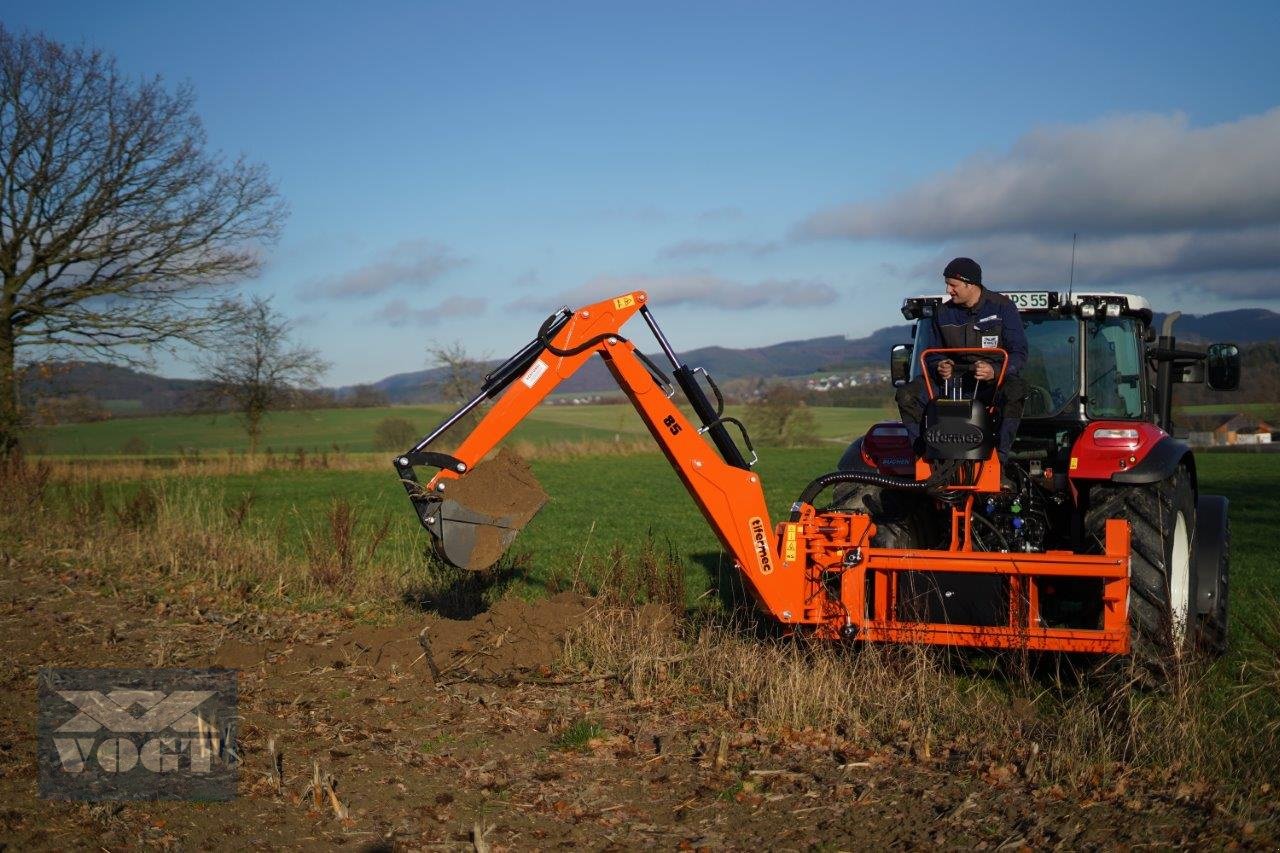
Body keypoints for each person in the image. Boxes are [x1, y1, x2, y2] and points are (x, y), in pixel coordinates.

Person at [895, 257, 1029, 465]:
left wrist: (994, 371)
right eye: (947, 284)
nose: (949, 290)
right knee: (906, 394)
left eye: (953, 285)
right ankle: (925, 457)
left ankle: (999, 461)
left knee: (1015, 390)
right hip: (952, 385)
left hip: (991, 386)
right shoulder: (943, 313)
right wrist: (939, 365)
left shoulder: (1002, 307)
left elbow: (1019, 353)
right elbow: (932, 353)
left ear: (970, 284)